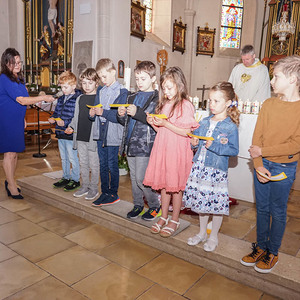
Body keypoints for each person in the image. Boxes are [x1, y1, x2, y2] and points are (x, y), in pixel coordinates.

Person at [240, 55, 300, 273]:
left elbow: (295, 145)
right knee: (262, 210)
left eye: (276, 77)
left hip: (284, 169)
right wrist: (258, 164)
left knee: (278, 211)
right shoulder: (268, 104)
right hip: (262, 166)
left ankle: (272, 251)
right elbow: (257, 138)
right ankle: (261, 247)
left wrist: (263, 152)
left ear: (293, 79)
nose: (272, 81)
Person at [143, 66, 199, 237]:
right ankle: (164, 216)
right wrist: (152, 122)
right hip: (164, 148)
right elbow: (162, 130)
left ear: (179, 85)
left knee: (176, 187)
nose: (166, 91)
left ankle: (175, 219)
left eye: (169, 87)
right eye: (164, 88)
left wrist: (165, 123)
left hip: (177, 151)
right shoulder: (164, 104)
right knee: (165, 186)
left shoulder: (185, 105)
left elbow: (187, 132)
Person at [183, 82, 240, 252]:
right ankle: (201, 233)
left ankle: (213, 236)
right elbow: (198, 143)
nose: (212, 105)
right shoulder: (205, 122)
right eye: (210, 101)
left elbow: (233, 149)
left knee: (215, 206)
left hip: (215, 171)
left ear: (228, 103)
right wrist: (194, 143)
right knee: (202, 203)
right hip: (200, 168)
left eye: (216, 101)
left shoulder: (230, 126)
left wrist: (214, 146)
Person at [0, 48, 53, 200]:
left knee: (15, 153)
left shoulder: (19, 78)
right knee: (9, 154)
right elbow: (21, 100)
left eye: (19, 62)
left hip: (16, 119)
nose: (17, 65)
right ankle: (11, 185)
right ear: (6, 63)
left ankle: (10, 180)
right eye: (14, 63)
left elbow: (25, 98)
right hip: (6, 120)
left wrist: (22, 117)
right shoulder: (4, 78)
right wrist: (43, 98)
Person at [116, 61, 160, 221]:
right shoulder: (132, 96)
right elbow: (126, 122)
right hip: (130, 143)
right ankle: (138, 204)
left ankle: (155, 206)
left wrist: (137, 113)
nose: (140, 82)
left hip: (145, 145)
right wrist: (121, 115)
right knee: (134, 178)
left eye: (143, 78)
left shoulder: (157, 98)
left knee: (142, 178)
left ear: (153, 78)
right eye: (137, 78)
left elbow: (154, 120)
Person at [89, 58, 127, 207]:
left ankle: (113, 193)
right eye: (100, 77)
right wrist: (91, 114)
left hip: (112, 134)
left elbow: (118, 116)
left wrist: (102, 112)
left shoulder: (122, 91)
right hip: (100, 133)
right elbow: (94, 108)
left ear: (113, 72)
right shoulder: (100, 90)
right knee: (102, 164)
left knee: (112, 165)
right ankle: (104, 192)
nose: (102, 80)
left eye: (105, 76)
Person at [65, 68, 100, 201]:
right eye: (84, 83)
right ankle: (85, 186)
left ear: (96, 83)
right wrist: (71, 126)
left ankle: (94, 188)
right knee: (83, 163)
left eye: (89, 83)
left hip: (92, 138)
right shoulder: (80, 98)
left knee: (94, 165)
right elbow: (76, 117)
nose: (86, 86)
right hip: (80, 136)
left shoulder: (98, 98)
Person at [48, 71, 82, 191]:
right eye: (62, 87)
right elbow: (57, 112)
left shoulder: (78, 98)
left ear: (73, 86)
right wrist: (53, 118)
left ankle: (75, 179)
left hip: (70, 132)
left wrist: (66, 123)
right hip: (60, 132)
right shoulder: (61, 98)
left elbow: (76, 116)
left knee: (73, 158)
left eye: (66, 87)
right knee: (64, 157)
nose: (63, 89)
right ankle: (66, 177)